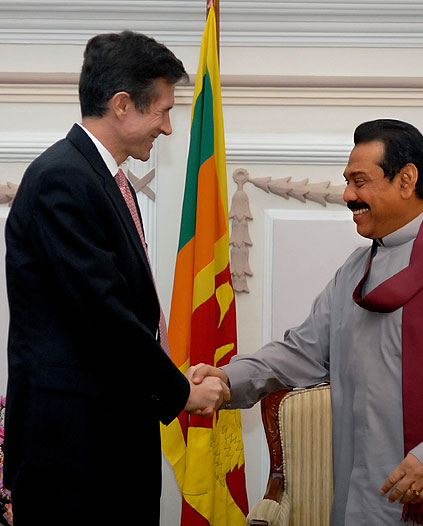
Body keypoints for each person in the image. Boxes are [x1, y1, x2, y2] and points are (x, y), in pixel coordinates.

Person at [190, 119, 423, 525]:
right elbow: (302, 351)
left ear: (406, 180)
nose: (348, 195)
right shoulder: (356, 272)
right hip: (364, 504)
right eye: (347, 182)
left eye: (359, 182)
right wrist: (228, 379)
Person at [3, 31, 229, 526]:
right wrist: (180, 392)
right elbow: (103, 317)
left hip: (102, 441)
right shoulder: (64, 179)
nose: (167, 127)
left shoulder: (99, 178)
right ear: (122, 105)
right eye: (162, 111)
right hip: (73, 453)